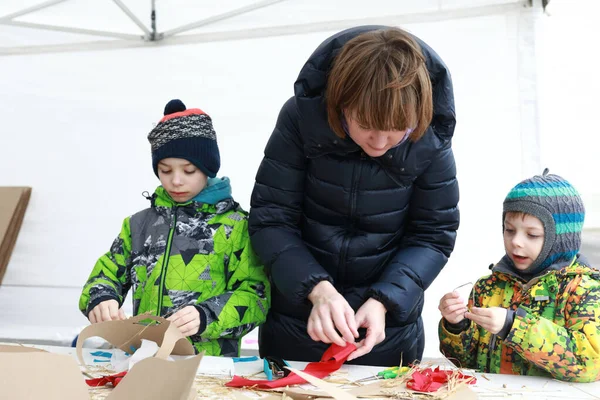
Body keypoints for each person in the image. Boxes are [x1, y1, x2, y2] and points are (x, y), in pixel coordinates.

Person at [249, 25, 459, 366]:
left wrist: (385, 301)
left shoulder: (430, 136)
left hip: (388, 332)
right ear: (340, 102)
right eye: (366, 125)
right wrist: (318, 291)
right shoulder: (300, 119)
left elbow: (433, 235)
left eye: (396, 132)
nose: (378, 142)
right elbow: (271, 219)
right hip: (296, 321)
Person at [79, 99, 270, 357]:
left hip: (208, 367)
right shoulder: (138, 225)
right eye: (165, 170)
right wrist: (101, 299)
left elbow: (255, 296)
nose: (176, 181)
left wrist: (206, 315)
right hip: (143, 360)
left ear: (207, 168)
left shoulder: (236, 227)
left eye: (189, 170)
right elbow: (106, 274)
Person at [438, 169, 600, 382]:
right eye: (509, 230)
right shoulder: (488, 288)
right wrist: (456, 325)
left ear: (560, 238)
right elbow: (465, 361)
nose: (516, 242)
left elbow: (590, 364)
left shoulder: (583, 291)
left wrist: (513, 326)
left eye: (532, 235)